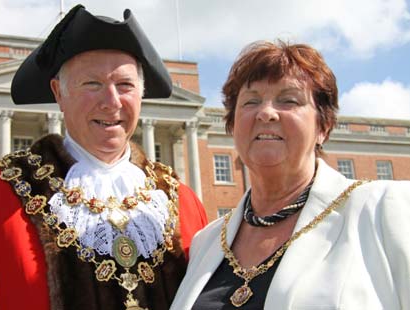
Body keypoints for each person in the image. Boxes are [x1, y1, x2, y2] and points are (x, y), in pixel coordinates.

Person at [0, 5, 207, 310]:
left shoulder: (182, 203)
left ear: (141, 94)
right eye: (92, 84)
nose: (111, 102)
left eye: (125, 85)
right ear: (58, 93)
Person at [171, 40, 410, 310]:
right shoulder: (207, 242)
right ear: (232, 125)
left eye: (289, 100)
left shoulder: (386, 209)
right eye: (251, 101)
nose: (266, 112)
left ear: (324, 126)